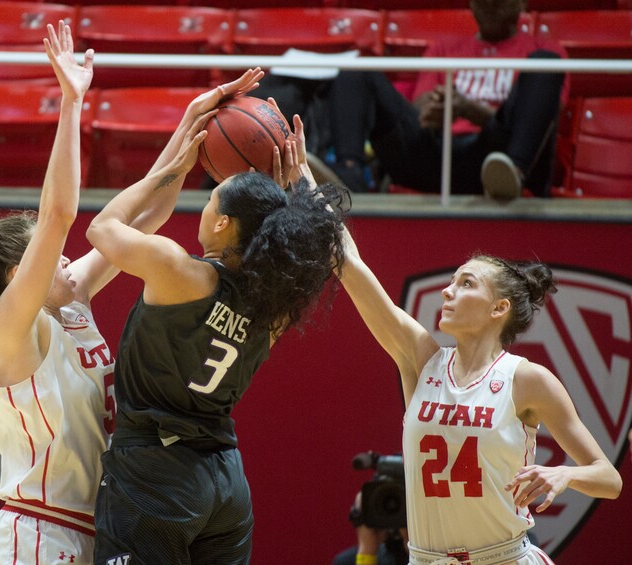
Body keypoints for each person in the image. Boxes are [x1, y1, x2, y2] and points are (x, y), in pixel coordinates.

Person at [286, 116, 621, 565]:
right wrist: (305, 182)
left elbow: (609, 478)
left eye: (465, 284)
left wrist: (564, 475)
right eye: (451, 282)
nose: (448, 291)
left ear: (498, 308)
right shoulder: (421, 357)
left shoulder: (527, 380)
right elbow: (348, 261)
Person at [0, 22, 202, 564]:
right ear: (18, 274)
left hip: (92, 530)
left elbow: (145, 218)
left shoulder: (70, 304)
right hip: (37, 531)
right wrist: (71, 103)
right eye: (48, 255)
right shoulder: (11, 331)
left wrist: (190, 123)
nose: (64, 259)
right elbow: (58, 214)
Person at [85, 74, 348, 564]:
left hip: (155, 472)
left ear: (223, 223)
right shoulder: (276, 307)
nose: (204, 207)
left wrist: (172, 170)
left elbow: (102, 228)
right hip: (225, 482)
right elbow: (327, 243)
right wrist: (299, 189)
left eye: (210, 200)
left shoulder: (179, 271)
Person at [327, 0, 568, 199]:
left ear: (521, 4)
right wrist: (436, 108)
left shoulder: (544, 50)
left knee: (544, 64)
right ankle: (349, 178)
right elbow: (420, 107)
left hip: (496, 157)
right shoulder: (445, 47)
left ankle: (513, 173)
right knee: (356, 71)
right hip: (438, 153)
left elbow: (540, 122)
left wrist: (468, 109)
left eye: (499, 2)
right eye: (483, 3)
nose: (490, 7)